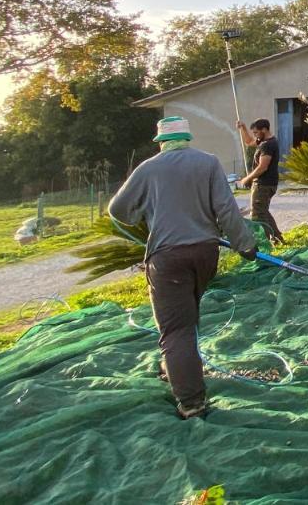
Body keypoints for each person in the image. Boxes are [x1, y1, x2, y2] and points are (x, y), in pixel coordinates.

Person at [109, 115, 257, 420]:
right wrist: (245, 245)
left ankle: (191, 401)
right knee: (186, 319)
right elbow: (227, 210)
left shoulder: (148, 168)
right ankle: (176, 367)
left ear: (161, 143)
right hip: (205, 253)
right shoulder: (208, 163)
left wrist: (143, 213)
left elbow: (117, 210)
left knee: (175, 329)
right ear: (188, 139)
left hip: (167, 258)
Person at [236, 117, 285, 245]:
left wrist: (247, 178)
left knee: (257, 215)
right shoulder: (263, 141)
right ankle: (278, 239)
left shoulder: (268, 145)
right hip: (266, 184)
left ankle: (267, 243)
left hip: (263, 184)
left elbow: (263, 167)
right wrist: (243, 128)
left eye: (256, 132)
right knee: (263, 212)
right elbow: (248, 142)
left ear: (264, 130)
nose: (255, 135)